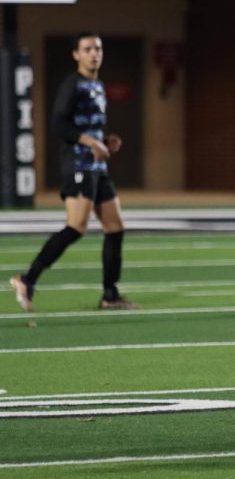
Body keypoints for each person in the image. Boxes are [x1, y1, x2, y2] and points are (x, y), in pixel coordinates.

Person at [10, 32, 139, 312]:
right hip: (78, 165)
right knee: (76, 227)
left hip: (98, 166)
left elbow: (87, 127)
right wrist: (90, 142)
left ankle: (110, 295)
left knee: (115, 227)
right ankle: (27, 279)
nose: (94, 53)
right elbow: (58, 125)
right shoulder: (73, 84)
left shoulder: (98, 85)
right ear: (76, 55)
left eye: (98, 48)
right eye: (88, 49)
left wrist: (104, 142)